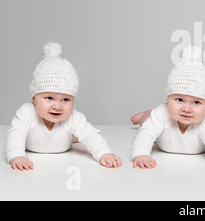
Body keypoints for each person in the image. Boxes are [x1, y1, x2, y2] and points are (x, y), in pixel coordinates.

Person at [5, 42, 122, 171]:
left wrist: (104, 153)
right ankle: (73, 137)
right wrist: (16, 156)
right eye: (49, 98)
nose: (57, 106)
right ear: (34, 98)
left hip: (64, 151)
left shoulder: (73, 116)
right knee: (21, 132)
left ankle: (74, 137)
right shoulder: (27, 112)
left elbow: (91, 135)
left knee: (83, 134)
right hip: (35, 152)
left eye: (66, 99)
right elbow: (16, 134)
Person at [131, 46, 205, 175]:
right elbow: (146, 134)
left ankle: (152, 112)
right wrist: (141, 154)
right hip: (162, 132)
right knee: (147, 122)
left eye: (196, 102)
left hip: (201, 138)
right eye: (179, 100)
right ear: (168, 98)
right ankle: (145, 115)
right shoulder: (162, 114)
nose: (187, 109)